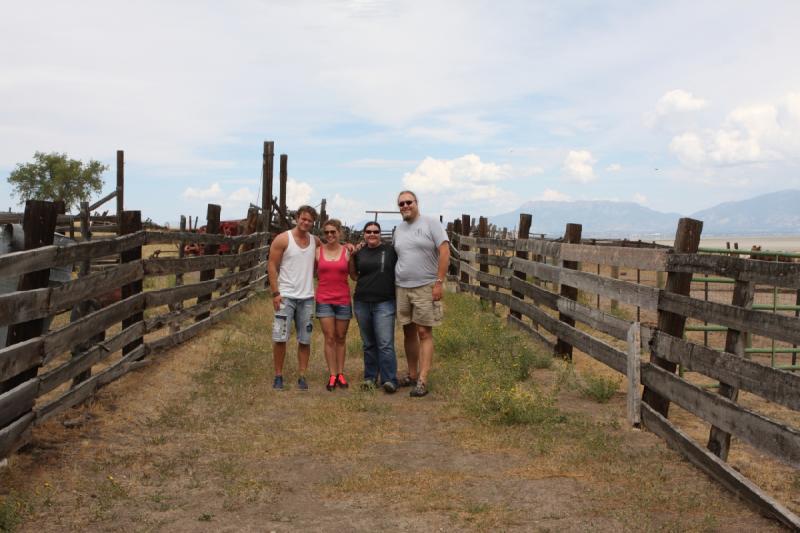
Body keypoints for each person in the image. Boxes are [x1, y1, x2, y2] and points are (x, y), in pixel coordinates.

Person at [393, 190, 450, 397]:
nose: (405, 206)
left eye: (409, 202)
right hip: (402, 286)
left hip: (425, 286)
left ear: (417, 203)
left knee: (424, 332)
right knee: (408, 331)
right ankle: (412, 373)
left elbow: (444, 251)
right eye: (401, 204)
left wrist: (439, 282)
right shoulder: (398, 230)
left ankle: (423, 380)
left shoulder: (431, 223)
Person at [267, 205, 320, 391]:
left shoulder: (315, 241)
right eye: (303, 218)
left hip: (307, 298)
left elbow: (332, 250)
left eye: (310, 220)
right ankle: (278, 375)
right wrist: (275, 293)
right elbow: (272, 265)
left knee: (305, 339)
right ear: (297, 218)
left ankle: (302, 375)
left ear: (313, 223)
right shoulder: (283, 239)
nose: (306, 222)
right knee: (280, 337)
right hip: (286, 297)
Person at [349, 221, 399, 393]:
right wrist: (351, 254)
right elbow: (354, 275)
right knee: (368, 343)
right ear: (364, 234)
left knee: (385, 343)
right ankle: (370, 378)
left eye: (375, 231)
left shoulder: (390, 251)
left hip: (384, 302)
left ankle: (389, 379)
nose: (372, 234)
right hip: (362, 301)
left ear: (380, 234)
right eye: (368, 231)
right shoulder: (359, 252)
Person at [315, 219, 352, 391]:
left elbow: (354, 274)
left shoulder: (347, 252)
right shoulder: (317, 252)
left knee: (341, 337)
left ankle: (341, 373)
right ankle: (332, 374)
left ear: (339, 233)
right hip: (324, 299)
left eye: (333, 232)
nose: (330, 235)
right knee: (329, 337)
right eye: (327, 232)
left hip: (343, 299)